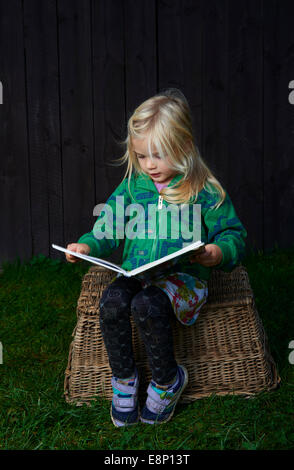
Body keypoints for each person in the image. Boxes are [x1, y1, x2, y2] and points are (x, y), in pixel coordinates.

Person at [65, 88, 247, 427]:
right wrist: (88, 246)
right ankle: (124, 380)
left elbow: (233, 235)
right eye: (142, 156)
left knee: (147, 305)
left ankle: (167, 382)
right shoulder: (135, 186)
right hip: (139, 272)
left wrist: (216, 253)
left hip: (184, 281)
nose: (150, 165)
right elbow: (109, 225)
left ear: (185, 146)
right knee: (113, 301)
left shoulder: (203, 190)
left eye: (158, 156)